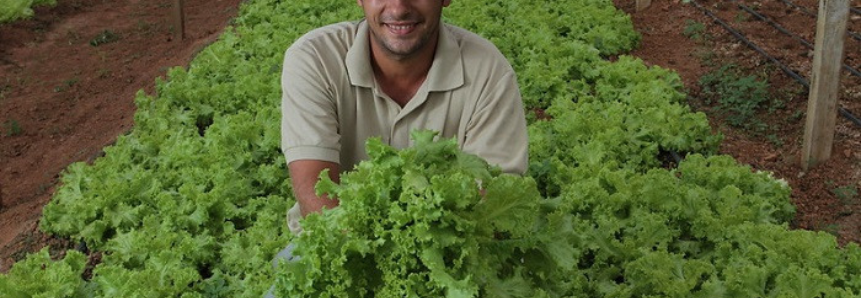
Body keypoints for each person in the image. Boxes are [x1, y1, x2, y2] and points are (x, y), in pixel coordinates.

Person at [271, 0, 527, 291]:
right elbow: (315, 188)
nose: (399, 7)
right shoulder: (315, 57)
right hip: (339, 247)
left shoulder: (489, 71)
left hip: (450, 262)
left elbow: (490, 202)